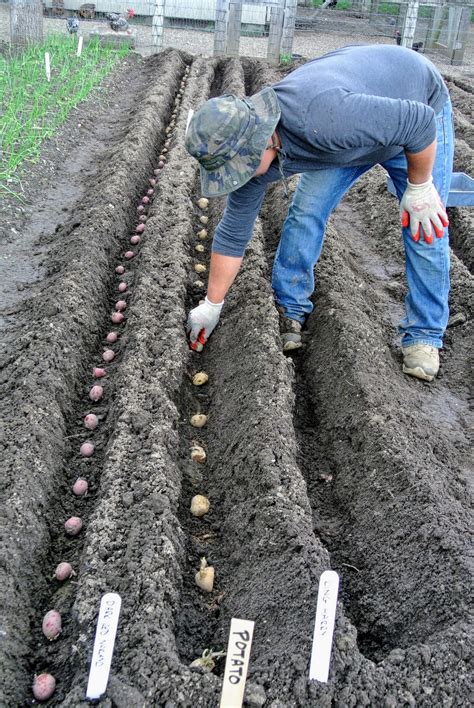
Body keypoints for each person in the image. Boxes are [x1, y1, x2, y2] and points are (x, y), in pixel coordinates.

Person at [185, 45, 453, 382]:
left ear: (263, 139)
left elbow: (419, 122)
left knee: (424, 223)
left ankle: (425, 335)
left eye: (241, 166)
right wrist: (212, 304)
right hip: (358, 128)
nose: (240, 176)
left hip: (416, 111)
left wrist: (419, 187)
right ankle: (290, 307)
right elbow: (233, 233)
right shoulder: (254, 159)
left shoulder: (322, 118)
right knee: (307, 208)